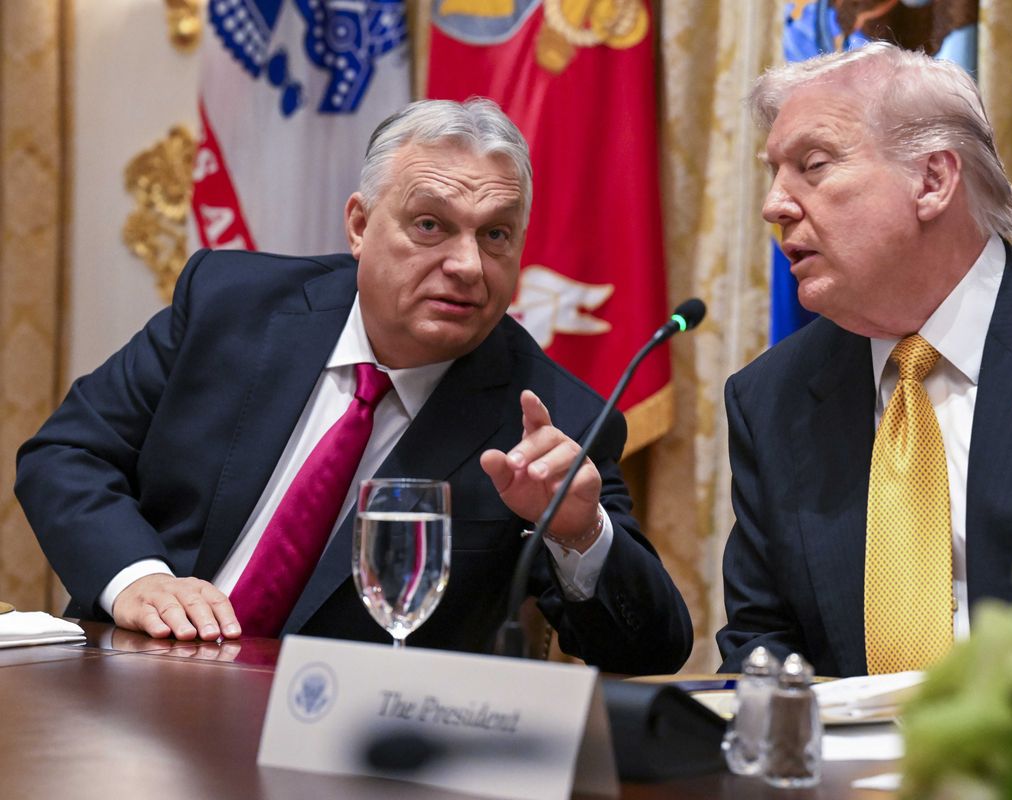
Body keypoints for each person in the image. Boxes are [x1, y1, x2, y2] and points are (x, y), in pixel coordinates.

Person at [16, 98, 692, 675]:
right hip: (135, 680)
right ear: (361, 225)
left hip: (343, 749)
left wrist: (578, 532)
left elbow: (649, 647)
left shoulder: (547, 420)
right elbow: (67, 454)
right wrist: (140, 582)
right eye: (430, 225)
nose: (466, 265)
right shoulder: (232, 304)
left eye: (495, 236)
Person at [718, 42, 1012, 677]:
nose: (775, 205)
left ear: (933, 180)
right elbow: (761, 641)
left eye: (813, 164)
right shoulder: (770, 397)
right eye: (774, 172)